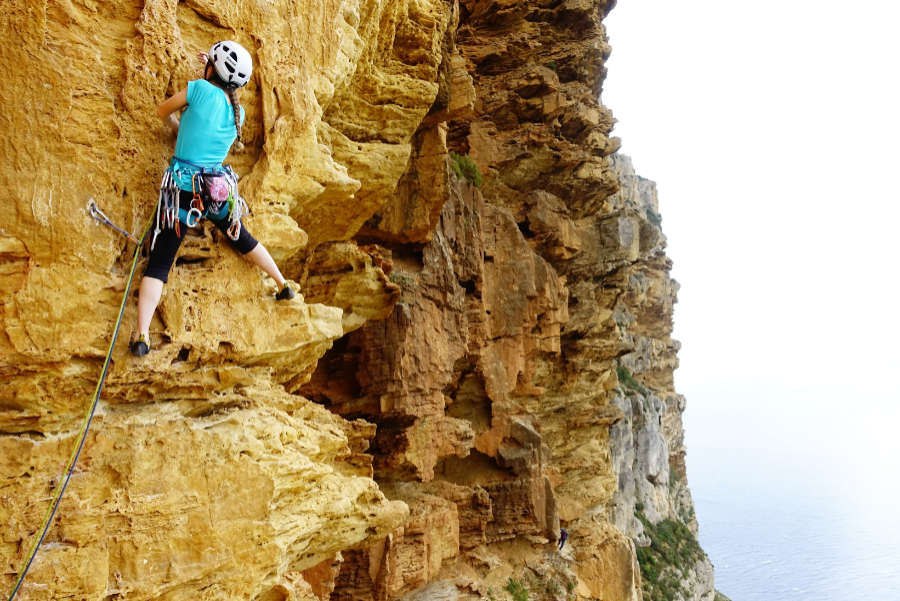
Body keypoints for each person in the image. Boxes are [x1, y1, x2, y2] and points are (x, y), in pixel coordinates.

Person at [131, 41, 294, 357]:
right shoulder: (239, 113)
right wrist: (212, 67)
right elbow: (218, 97)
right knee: (242, 238)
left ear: (211, 70)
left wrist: (181, 129)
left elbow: (162, 111)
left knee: (162, 259)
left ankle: (141, 336)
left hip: (184, 189)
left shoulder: (197, 90)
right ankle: (282, 284)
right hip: (217, 192)